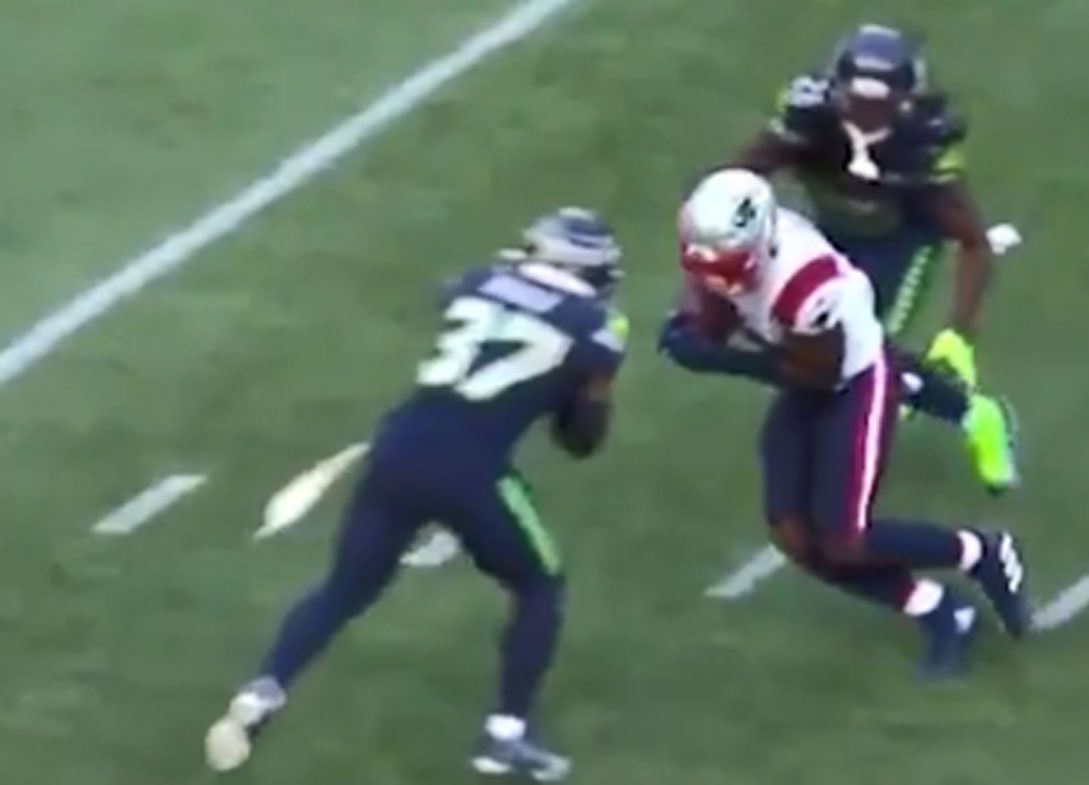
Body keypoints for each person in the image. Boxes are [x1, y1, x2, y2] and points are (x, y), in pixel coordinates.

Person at [204, 208, 629, 781]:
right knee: (539, 585)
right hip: (471, 470)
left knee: (346, 587)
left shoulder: (477, 283)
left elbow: (464, 299)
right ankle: (506, 734)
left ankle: (263, 691)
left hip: (395, 449)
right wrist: (597, 386)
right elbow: (580, 441)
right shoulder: (593, 331)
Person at [659, 169, 1031, 677]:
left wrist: (717, 357)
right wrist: (696, 327)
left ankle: (981, 551)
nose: (716, 275)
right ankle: (941, 610)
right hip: (806, 373)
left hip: (853, 379)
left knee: (846, 538)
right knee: (793, 536)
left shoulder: (805, 285)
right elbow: (714, 298)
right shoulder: (724, 244)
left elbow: (817, 372)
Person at [731, 24, 998, 400]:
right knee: (805, 343)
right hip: (823, 233)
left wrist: (959, 335)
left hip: (897, 242)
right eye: (858, 103)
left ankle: (968, 413)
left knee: (862, 355)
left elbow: (973, 241)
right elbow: (733, 180)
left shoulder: (922, 144)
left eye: (879, 106)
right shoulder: (809, 119)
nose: (866, 117)